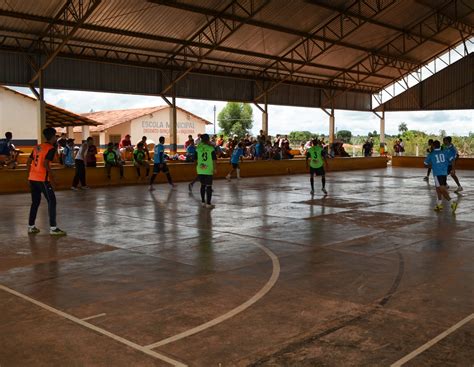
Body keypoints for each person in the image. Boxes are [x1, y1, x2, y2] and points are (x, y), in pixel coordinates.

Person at [26, 127, 66, 236]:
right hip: (42, 179)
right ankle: (53, 228)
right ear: (53, 137)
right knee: (52, 201)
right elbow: (45, 163)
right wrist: (53, 177)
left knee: (35, 202)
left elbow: (28, 162)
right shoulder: (50, 148)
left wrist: (29, 176)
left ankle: (31, 226)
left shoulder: (37, 147)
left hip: (33, 179)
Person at [424, 140, 458, 213]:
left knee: (442, 189)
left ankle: (452, 202)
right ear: (440, 145)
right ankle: (439, 204)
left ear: (433, 146)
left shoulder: (431, 154)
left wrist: (432, 165)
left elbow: (425, 163)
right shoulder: (445, 152)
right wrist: (453, 169)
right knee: (437, 188)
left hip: (437, 174)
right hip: (444, 173)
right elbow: (452, 160)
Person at [195, 134, 217, 208]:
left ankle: (203, 202)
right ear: (208, 140)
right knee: (209, 187)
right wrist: (215, 168)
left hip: (200, 169)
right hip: (208, 169)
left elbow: (195, 159)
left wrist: (199, 165)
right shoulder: (211, 149)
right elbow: (214, 160)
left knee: (202, 185)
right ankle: (208, 203)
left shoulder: (198, 148)